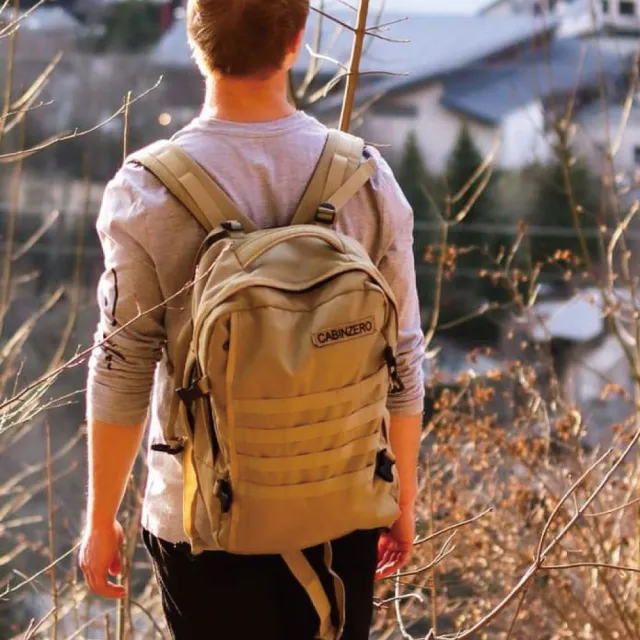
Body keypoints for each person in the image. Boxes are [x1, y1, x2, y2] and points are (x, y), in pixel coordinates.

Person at [79, 0, 425, 638]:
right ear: (296, 42)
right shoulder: (366, 179)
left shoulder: (146, 189)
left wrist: (100, 521)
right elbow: (402, 358)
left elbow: (121, 367)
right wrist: (400, 500)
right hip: (341, 503)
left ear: (196, 41)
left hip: (200, 520)